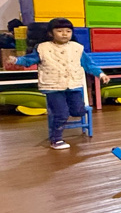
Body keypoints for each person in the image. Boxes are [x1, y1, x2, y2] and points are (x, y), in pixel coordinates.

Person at [4, 17, 110, 149]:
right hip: (53, 86)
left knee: (78, 111)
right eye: (59, 31)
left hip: (73, 84)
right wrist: (16, 60)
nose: (64, 34)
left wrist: (101, 74)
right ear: (50, 33)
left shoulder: (77, 48)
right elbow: (29, 60)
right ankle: (56, 139)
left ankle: (68, 113)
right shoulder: (43, 48)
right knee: (61, 113)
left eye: (68, 31)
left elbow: (89, 64)